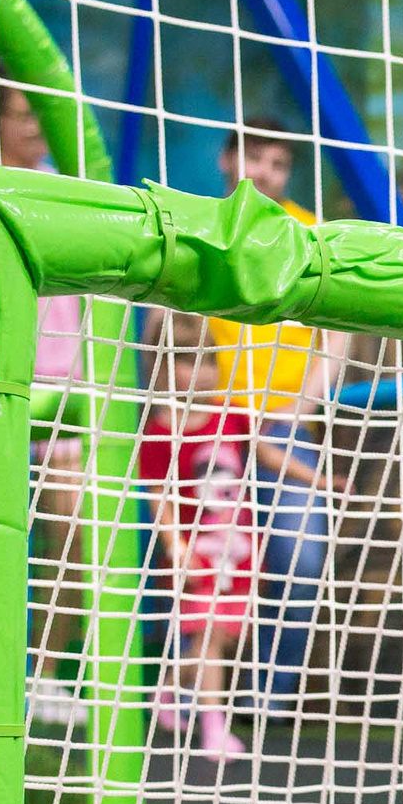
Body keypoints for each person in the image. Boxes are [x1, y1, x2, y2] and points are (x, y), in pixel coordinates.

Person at [205, 119, 347, 714]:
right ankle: (189, 697)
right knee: (202, 559)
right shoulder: (201, 226)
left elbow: (337, 336)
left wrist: (300, 405)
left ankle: (266, 698)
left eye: (279, 164)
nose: (265, 173)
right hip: (210, 427)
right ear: (226, 160)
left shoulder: (310, 234)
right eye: (255, 158)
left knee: (300, 555)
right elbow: (170, 338)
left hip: (283, 427)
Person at [0, 63, 88, 727]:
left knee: (71, 534)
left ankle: (42, 675)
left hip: (66, 394)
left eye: (42, 110)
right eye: (21, 111)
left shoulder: (70, 191)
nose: (35, 123)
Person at [136, 313, 256, 765]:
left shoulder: (232, 416)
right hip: (196, 552)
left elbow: (265, 454)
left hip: (237, 548)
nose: (202, 371)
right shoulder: (162, 432)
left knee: (222, 639)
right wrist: (175, 543)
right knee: (207, 636)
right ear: (164, 369)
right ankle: (213, 728)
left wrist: (320, 480)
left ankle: (168, 689)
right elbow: (158, 494)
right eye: (189, 360)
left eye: (209, 360)